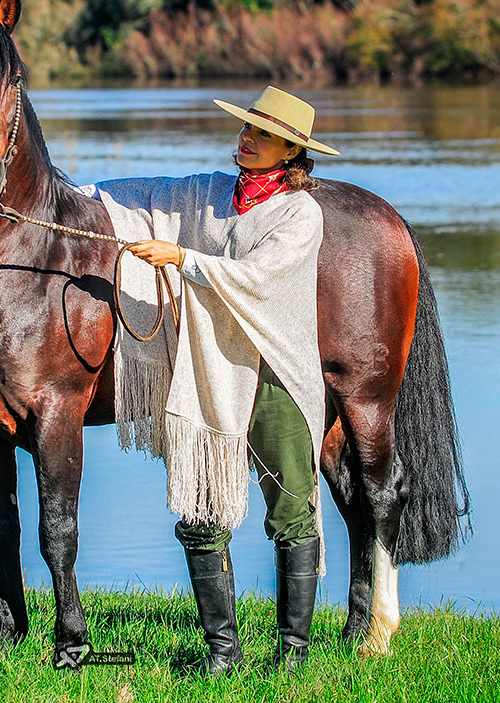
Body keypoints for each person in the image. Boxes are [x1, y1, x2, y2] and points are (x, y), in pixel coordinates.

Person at [121, 86, 338, 675]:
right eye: (248, 128)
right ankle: (223, 652)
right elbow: (146, 195)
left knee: (291, 512)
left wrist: (182, 259)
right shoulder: (212, 193)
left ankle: (291, 657)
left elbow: (257, 278)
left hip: (274, 375)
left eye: (263, 134)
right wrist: (71, 190)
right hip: (210, 371)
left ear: (291, 151)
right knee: (198, 508)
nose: (247, 138)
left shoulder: (301, 213)